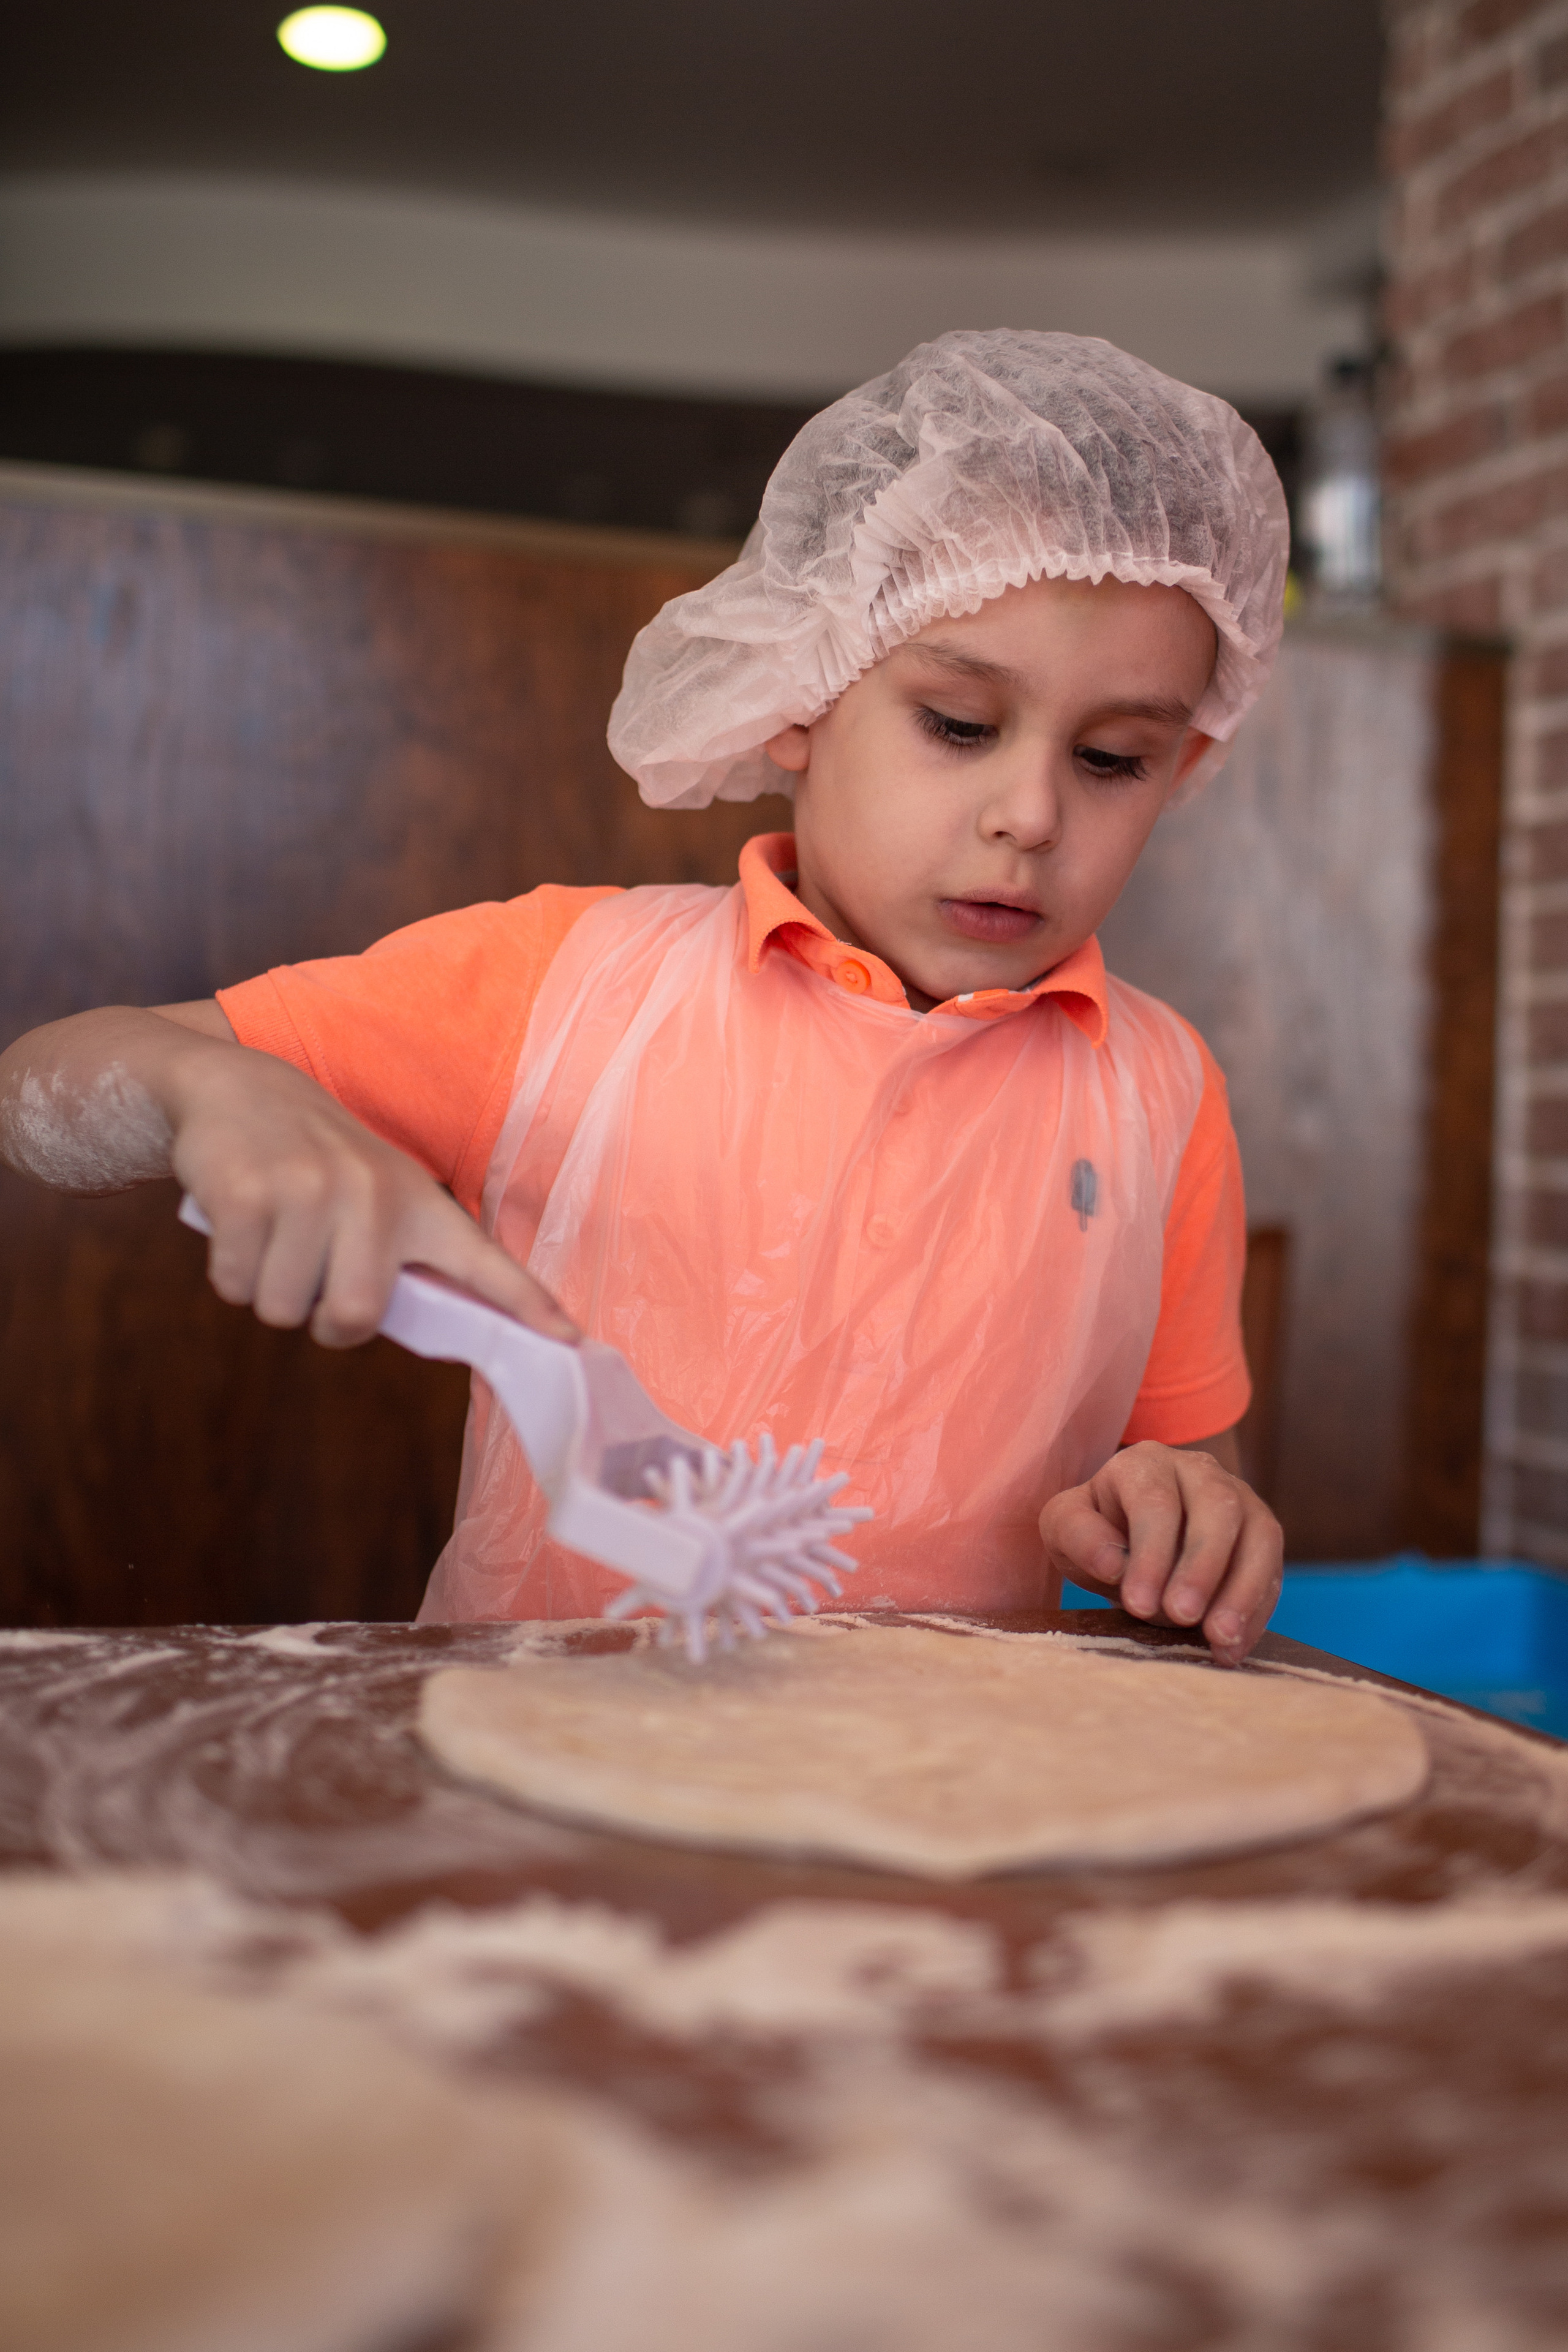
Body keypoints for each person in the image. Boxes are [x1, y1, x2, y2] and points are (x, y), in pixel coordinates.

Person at [0, 330, 1286, 1658]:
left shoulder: (1159, 1093)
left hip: (959, 1820)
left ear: (1182, 761)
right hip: (546, 1789)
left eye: (1114, 758)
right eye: (957, 726)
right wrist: (214, 1090)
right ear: (796, 694)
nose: (1028, 815)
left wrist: (1181, 1514)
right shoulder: (561, 987)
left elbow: (1189, 1467)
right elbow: (43, 1085)